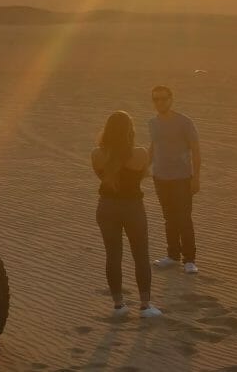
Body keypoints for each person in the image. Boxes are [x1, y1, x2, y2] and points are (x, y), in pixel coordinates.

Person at [91, 110, 161, 318]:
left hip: (106, 207)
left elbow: (101, 177)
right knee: (140, 254)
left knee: (113, 256)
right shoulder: (139, 153)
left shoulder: (97, 154)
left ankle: (119, 304)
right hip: (132, 207)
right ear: (130, 131)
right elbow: (143, 174)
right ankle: (145, 304)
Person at [148, 84, 201, 274]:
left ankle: (189, 259)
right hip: (160, 177)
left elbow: (195, 149)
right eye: (156, 99)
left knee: (184, 218)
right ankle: (172, 255)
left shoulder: (184, 122)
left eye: (163, 98)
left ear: (171, 99)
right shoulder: (152, 122)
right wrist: (144, 167)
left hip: (181, 178)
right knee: (169, 218)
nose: (160, 102)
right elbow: (154, 146)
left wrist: (196, 177)